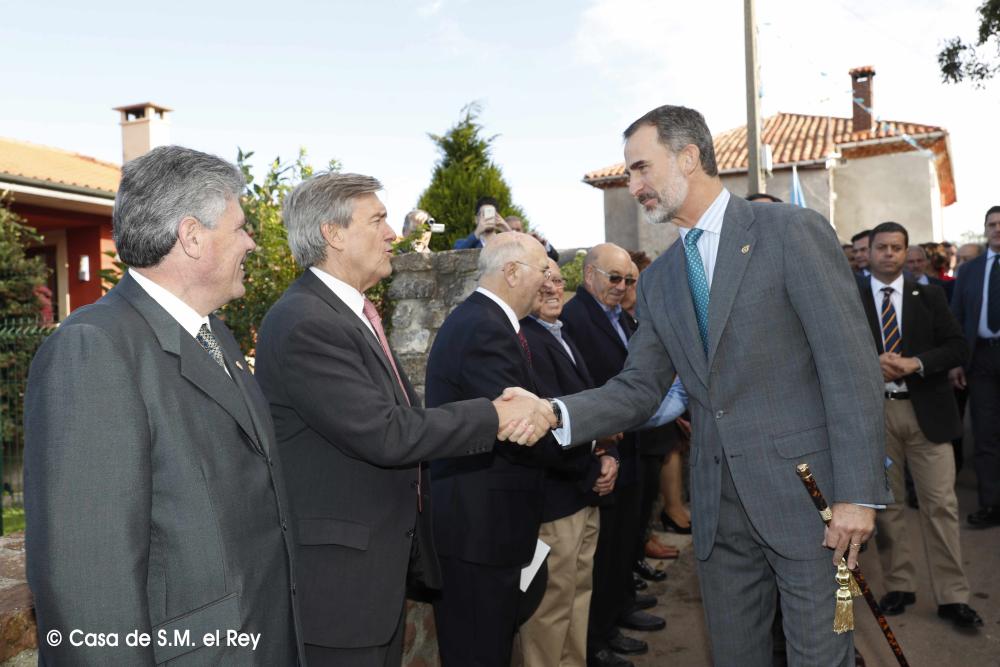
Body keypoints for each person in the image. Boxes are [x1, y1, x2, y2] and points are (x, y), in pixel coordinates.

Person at [508, 105, 889, 666]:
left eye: (641, 168)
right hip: (718, 514)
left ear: (688, 156)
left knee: (823, 656)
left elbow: (850, 367)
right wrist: (553, 411)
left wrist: (857, 494)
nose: (633, 185)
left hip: (813, 508)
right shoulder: (660, 280)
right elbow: (638, 389)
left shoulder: (789, 232)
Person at [253, 173, 548, 666]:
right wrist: (494, 416)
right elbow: (387, 433)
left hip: (371, 576)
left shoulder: (344, 314)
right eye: (378, 219)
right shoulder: (307, 322)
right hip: (340, 588)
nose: (393, 233)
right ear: (333, 233)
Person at [24, 146, 303, 664]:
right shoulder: (94, 349)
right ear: (192, 236)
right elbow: (88, 583)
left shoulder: (213, 332)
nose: (252, 243)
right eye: (241, 227)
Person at [426, 232, 559, 667]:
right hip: (478, 536)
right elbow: (520, 426)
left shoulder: (488, 322)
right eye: (543, 269)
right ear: (513, 272)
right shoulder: (484, 327)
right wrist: (587, 443)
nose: (549, 279)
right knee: (480, 652)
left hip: (487, 530)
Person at [858, 222, 982, 629]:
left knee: (941, 506)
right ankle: (900, 585)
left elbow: (957, 346)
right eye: (882, 247)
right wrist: (868, 364)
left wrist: (916, 363)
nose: (890, 254)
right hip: (875, 415)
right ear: (869, 251)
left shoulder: (928, 295)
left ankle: (952, 596)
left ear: (908, 252)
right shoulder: (850, 298)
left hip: (927, 411)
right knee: (888, 507)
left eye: (897, 247)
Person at [560, 244, 666, 666]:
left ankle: (620, 608)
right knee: (602, 554)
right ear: (589, 276)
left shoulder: (623, 317)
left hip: (632, 446)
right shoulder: (574, 319)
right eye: (614, 278)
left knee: (626, 539)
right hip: (602, 448)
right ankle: (597, 638)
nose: (621, 287)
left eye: (629, 280)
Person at [517, 257, 619, 667]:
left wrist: (607, 454)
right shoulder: (524, 339)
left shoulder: (560, 334)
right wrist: (596, 465)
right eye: (542, 282)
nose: (552, 289)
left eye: (558, 280)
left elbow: (585, 407)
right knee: (550, 610)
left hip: (582, 491)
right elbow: (542, 428)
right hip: (555, 498)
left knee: (578, 599)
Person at [950, 205, 1000, 528]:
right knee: (986, 436)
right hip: (981, 360)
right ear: (985, 230)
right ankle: (992, 505)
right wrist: (957, 361)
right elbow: (956, 317)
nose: (997, 229)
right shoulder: (970, 270)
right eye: (992, 224)